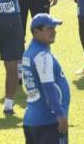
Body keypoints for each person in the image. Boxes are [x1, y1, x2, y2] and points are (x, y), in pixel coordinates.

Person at [22, 13, 69, 144]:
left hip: (33, 119)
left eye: (54, 28)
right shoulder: (42, 55)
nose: (54, 32)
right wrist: (60, 114)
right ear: (36, 31)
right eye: (49, 29)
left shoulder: (29, 53)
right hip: (48, 121)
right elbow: (49, 87)